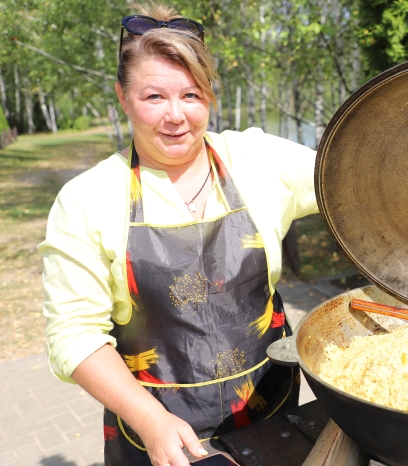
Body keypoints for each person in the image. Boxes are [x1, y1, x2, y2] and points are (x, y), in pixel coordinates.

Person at [39, 3, 318, 465]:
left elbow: (354, 177)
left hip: (271, 413)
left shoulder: (258, 160)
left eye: (192, 95)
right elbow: (74, 335)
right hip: (159, 431)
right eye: (153, 97)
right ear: (122, 96)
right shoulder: (87, 198)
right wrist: (149, 419)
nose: (176, 116)